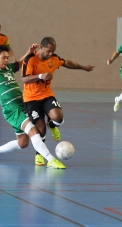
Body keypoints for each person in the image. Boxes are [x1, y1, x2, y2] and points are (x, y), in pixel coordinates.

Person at [22, 37, 94, 166]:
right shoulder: (30, 59)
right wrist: (40, 76)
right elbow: (24, 79)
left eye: (53, 51)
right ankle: (39, 154)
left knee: (58, 117)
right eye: (49, 51)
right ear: (41, 47)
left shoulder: (53, 59)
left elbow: (67, 63)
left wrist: (84, 67)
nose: (51, 53)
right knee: (41, 130)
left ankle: (53, 125)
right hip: (31, 99)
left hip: (47, 95)